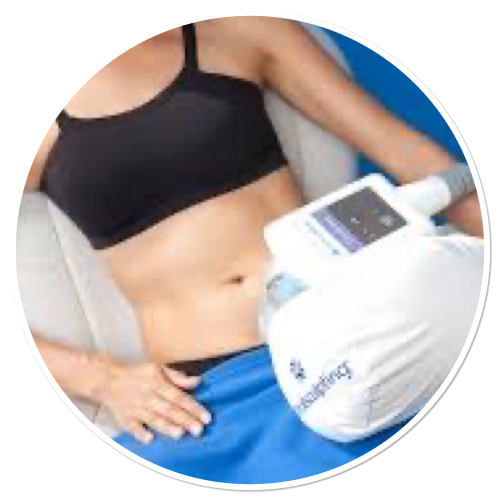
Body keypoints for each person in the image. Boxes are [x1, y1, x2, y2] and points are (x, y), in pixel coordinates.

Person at [24, 16, 483, 470]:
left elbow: (420, 162)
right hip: (206, 400)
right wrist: (100, 380)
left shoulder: (240, 32)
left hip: (350, 340)